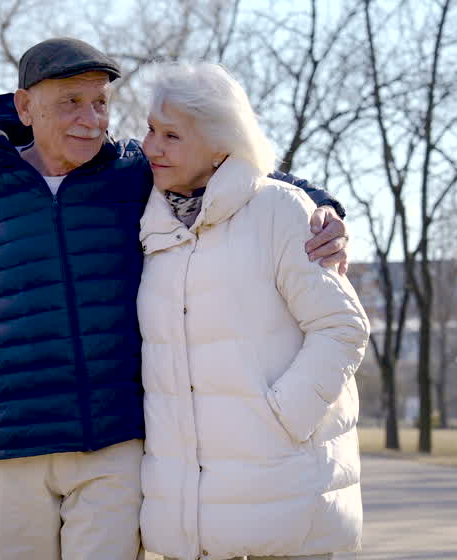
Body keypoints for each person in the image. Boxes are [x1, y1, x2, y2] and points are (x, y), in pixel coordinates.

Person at [0, 38, 350, 560]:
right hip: (9, 439)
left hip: (114, 441)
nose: (90, 119)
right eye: (70, 102)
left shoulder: (132, 175)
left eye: (99, 101)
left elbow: (238, 170)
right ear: (25, 107)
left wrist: (324, 208)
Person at [134, 61, 369, 560]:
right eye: (151, 130)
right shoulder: (150, 223)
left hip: (283, 487)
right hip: (191, 510)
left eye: (172, 135)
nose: (151, 147)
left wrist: (282, 416)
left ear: (222, 144)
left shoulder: (280, 210)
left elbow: (341, 326)